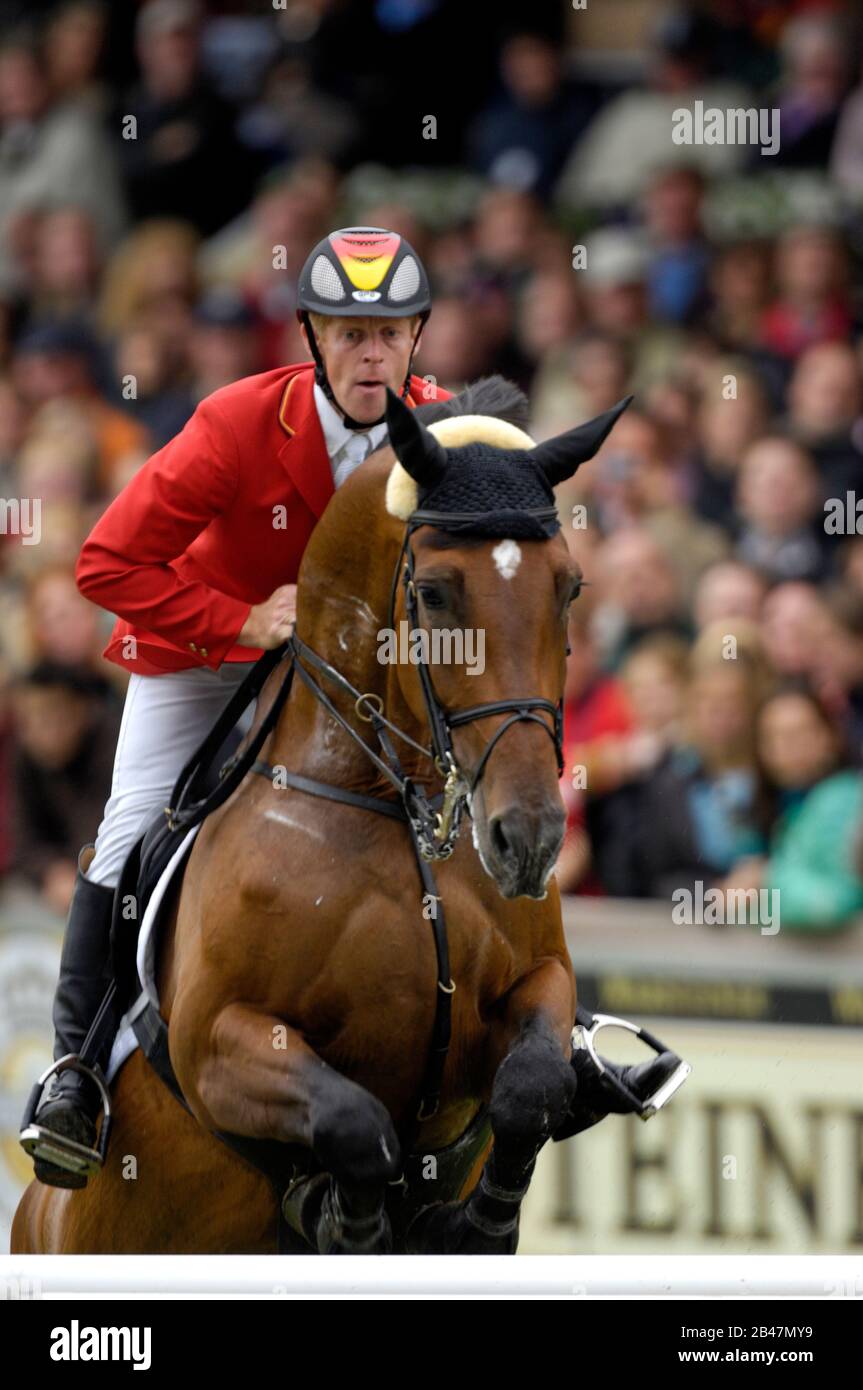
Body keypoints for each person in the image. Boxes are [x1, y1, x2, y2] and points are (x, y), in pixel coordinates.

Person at [20, 226, 450, 1189]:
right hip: (207, 653)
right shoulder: (238, 423)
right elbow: (104, 562)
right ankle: (77, 1072)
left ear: (418, 336)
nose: (369, 354)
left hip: (360, 672)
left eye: (389, 333)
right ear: (310, 335)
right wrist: (242, 620)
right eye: (347, 333)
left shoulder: (448, 429)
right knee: (133, 826)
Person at [719, 685, 863, 931]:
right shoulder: (771, 806)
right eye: (772, 736)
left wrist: (764, 881)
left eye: (798, 733)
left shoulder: (845, 801)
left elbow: (833, 903)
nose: (785, 747)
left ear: (829, 736)